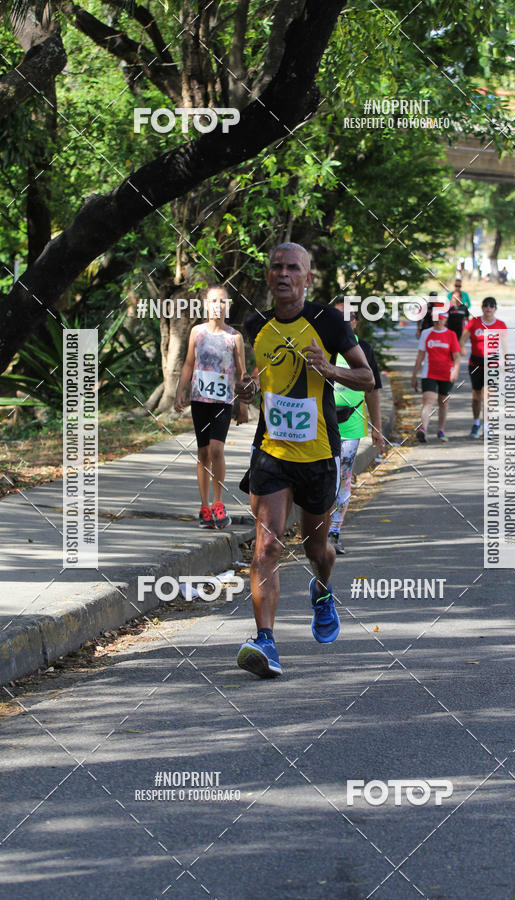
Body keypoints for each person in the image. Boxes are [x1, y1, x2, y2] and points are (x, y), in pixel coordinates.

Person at [234, 243, 374, 678]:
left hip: (318, 455)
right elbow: (258, 379)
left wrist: (330, 370)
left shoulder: (329, 322)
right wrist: (245, 391)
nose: (283, 274)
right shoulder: (255, 325)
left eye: (293, 268)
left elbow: (367, 377)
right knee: (267, 546)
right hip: (271, 452)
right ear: (268, 275)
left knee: (317, 549)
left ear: (308, 278)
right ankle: (265, 641)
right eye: (276, 267)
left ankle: (323, 589)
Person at [175, 285, 248, 528]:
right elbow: (189, 363)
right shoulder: (197, 332)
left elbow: (242, 373)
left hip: (223, 401)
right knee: (203, 452)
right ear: (206, 305)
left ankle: (218, 503)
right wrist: (180, 391)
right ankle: (204, 507)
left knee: (217, 449)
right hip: (200, 400)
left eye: (222, 301)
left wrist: (243, 405)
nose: (218, 305)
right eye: (213, 301)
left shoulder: (234, 337)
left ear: (228, 305)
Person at [328, 297, 384, 556]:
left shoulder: (364, 349)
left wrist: (377, 427)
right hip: (322, 422)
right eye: (337, 316)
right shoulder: (322, 346)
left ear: (356, 322)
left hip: (351, 423)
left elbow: (373, 390)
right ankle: (318, 530)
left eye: (348, 317)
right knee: (324, 477)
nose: (342, 321)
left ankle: (334, 532)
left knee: (343, 477)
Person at [459, 297, 507, 438]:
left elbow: (505, 345)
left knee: (489, 396)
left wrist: (506, 362)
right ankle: (476, 423)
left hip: (492, 364)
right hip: (476, 364)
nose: (488, 308)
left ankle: (488, 427)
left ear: (495, 309)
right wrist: (462, 348)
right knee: (476, 397)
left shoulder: (500, 325)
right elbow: (462, 340)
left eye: (491, 306)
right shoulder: (474, 322)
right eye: (486, 305)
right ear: (482, 308)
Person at [411, 308, 461, 443]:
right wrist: (414, 375)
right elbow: (420, 355)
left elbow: (456, 356)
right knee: (428, 400)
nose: (438, 321)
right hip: (429, 372)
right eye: (436, 319)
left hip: (446, 373)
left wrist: (455, 370)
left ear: (446, 319)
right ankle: (423, 429)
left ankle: (441, 430)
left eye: (441, 319)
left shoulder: (451, 334)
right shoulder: (426, 333)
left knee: (443, 402)